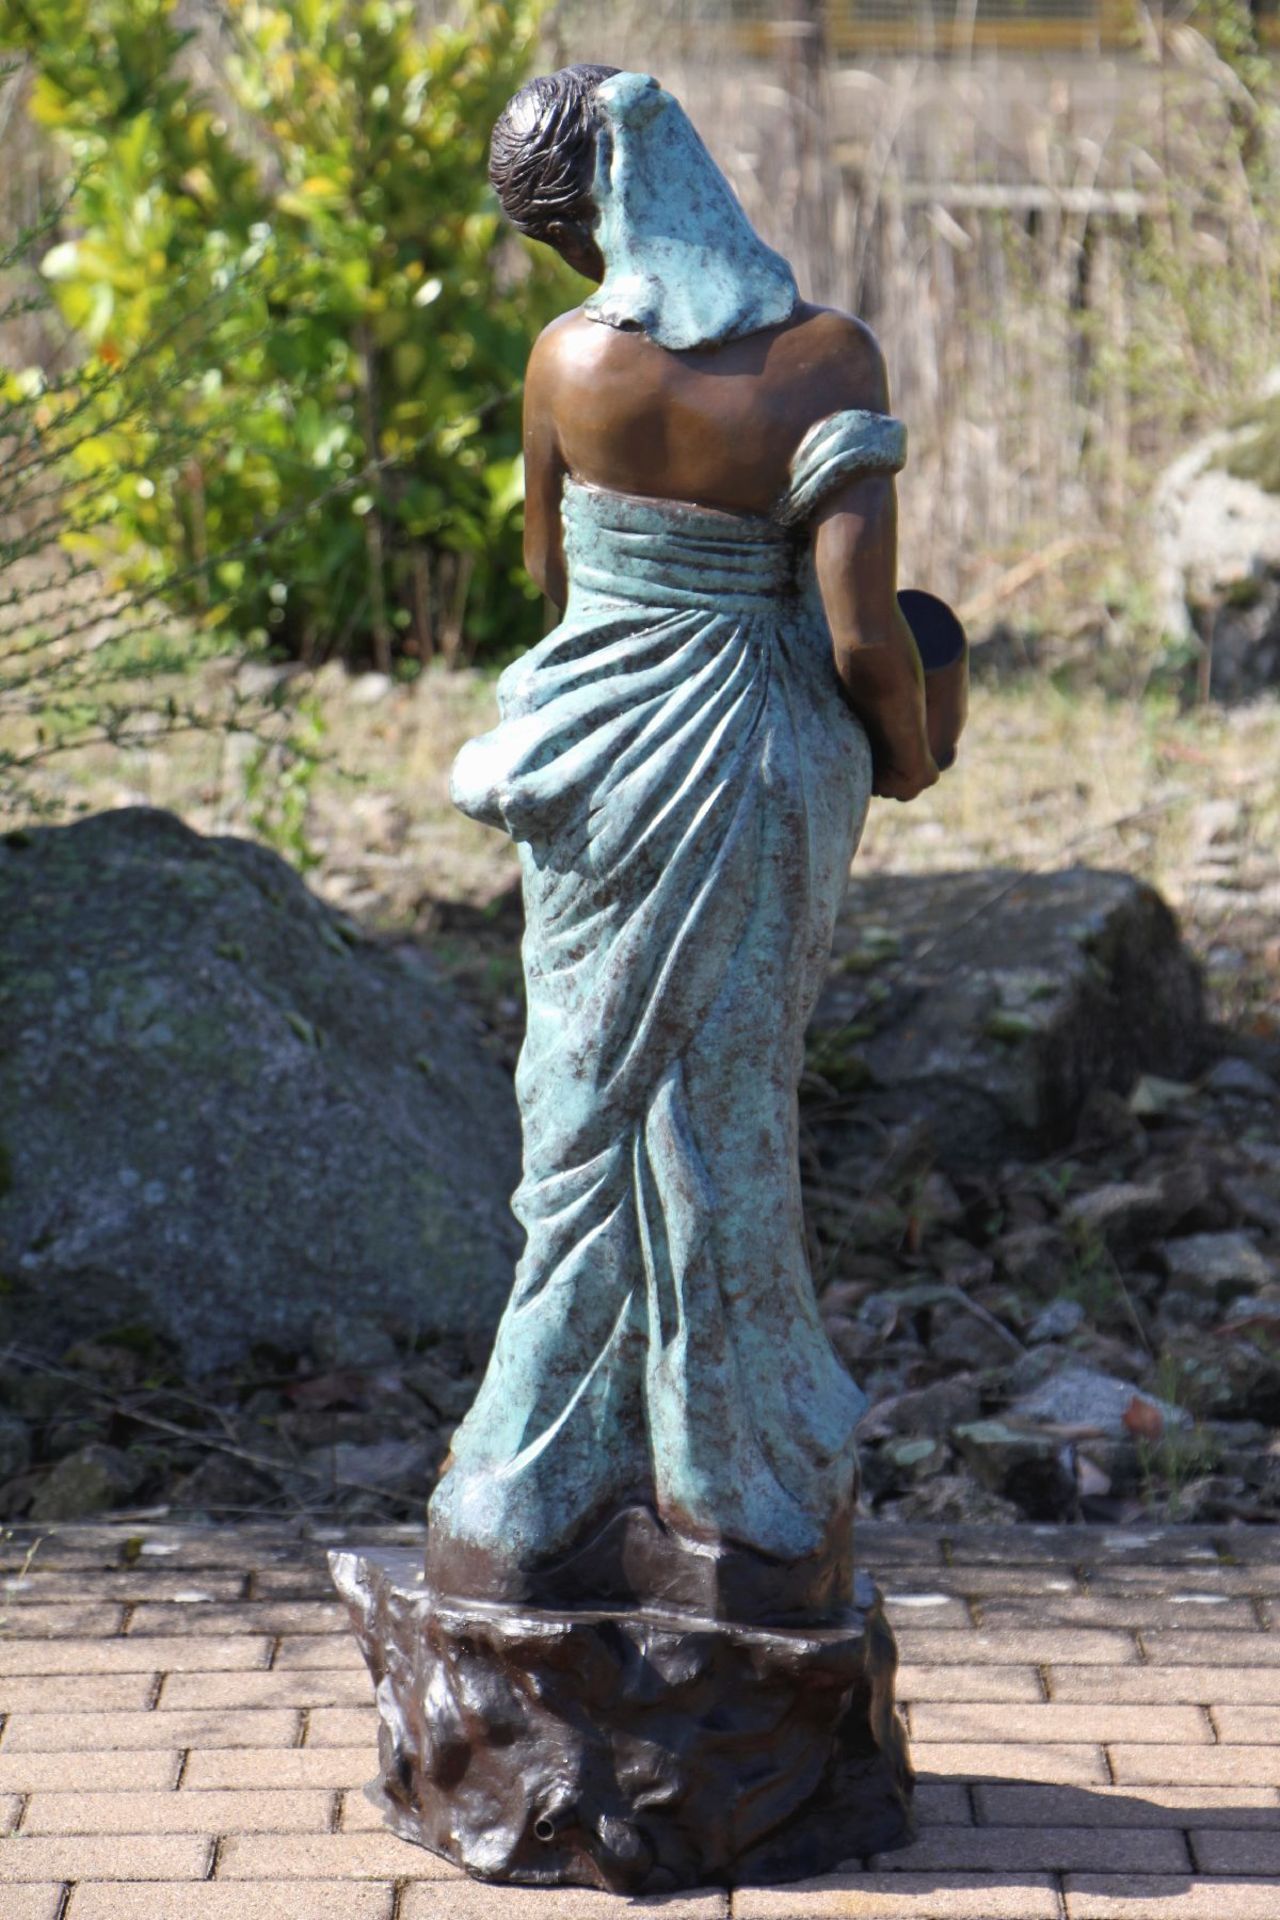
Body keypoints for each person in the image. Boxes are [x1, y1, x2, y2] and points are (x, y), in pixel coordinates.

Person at [425, 65, 938, 1620]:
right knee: (724, 1129)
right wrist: (910, 751)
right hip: (754, 768)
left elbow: (549, 571)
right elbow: (863, 633)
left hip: (590, 766)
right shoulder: (823, 361)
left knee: (578, 1131)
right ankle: (744, 1514)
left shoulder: (563, 363)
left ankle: (522, 1504)